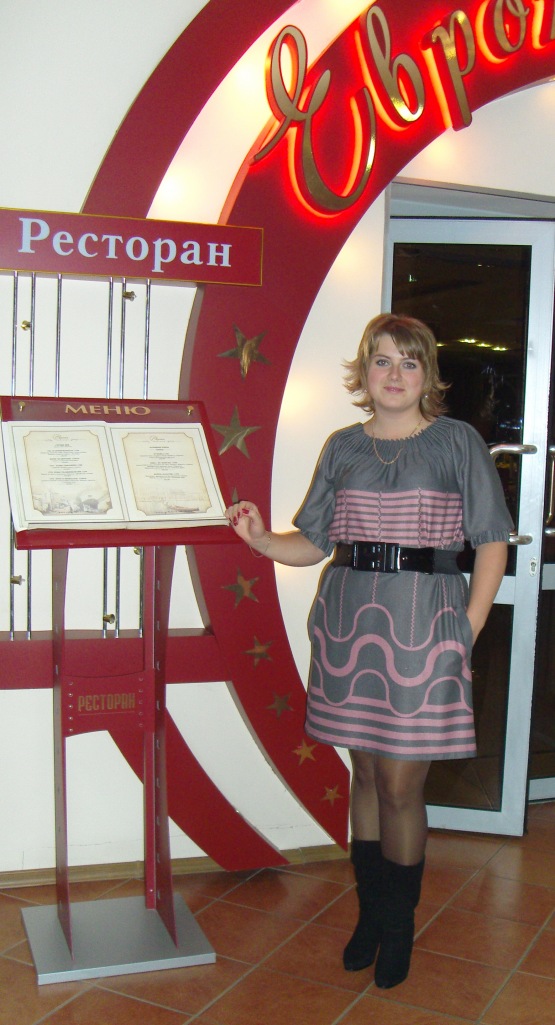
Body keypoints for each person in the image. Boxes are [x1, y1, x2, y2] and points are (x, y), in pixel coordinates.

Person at [225, 313, 513, 989]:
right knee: (362, 775)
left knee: (399, 784)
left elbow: (491, 541)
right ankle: (370, 914)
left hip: (424, 621)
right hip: (349, 621)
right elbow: (313, 541)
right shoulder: (343, 446)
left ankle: (398, 922)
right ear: (364, 371)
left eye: (409, 362)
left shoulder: (457, 442)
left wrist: (465, 629)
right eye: (382, 360)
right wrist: (262, 540)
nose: (394, 374)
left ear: (427, 374)